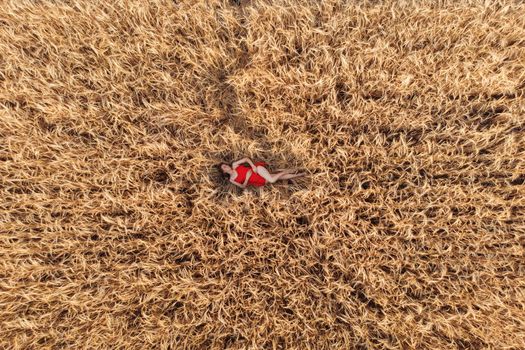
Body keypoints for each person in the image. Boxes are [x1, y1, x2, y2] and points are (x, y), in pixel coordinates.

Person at [220, 157, 305, 189]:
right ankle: (298, 174)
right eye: (224, 167)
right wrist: (246, 178)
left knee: (272, 180)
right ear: (224, 171)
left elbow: (246, 159)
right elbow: (242, 186)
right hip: (258, 181)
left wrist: (253, 166)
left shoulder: (234, 165)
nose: (226, 166)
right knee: (278, 177)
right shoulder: (231, 179)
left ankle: (286, 171)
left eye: (225, 165)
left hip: (257, 171)